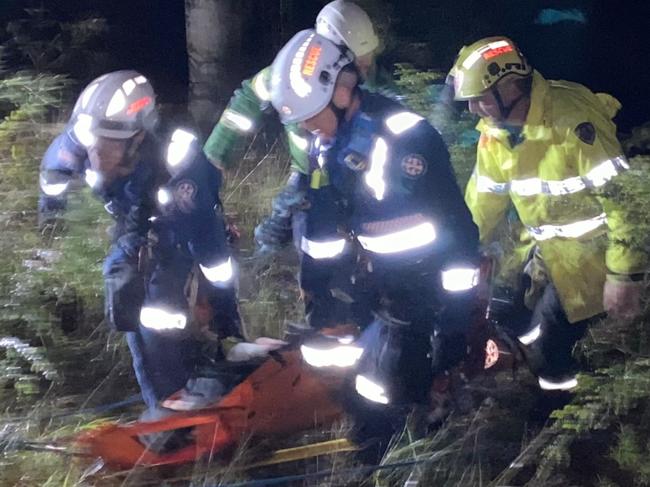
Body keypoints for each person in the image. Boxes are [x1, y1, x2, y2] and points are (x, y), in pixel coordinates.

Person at [268, 30, 481, 418]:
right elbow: (323, 223)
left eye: (310, 117)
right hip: (373, 282)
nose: (305, 130)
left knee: (382, 393)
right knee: (344, 372)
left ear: (342, 91)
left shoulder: (407, 140)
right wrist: (319, 296)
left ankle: (409, 441)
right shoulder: (328, 143)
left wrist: (454, 319)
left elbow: (458, 233)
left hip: (423, 288)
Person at [38, 70, 250, 410]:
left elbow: (210, 247)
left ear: (136, 140)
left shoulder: (180, 173)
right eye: (91, 142)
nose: (95, 155)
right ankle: (170, 398)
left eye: (105, 146)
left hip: (173, 229)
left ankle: (176, 399)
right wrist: (51, 222)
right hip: (132, 223)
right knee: (130, 295)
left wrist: (224, 309)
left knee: (156, 310)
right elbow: (53, 178)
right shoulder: (85, 134)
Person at [451, 36, 647, 391]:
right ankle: (549, 377)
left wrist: (623, 276)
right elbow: (483, 201)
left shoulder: (573, 121)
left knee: (550, 341)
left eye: (479, 99)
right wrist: (458, 249)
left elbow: (621, 202)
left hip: (591, 261)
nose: (473, 110)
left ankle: (564, 407)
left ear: (509, 88)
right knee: (510, 315)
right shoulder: (495, 135)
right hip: (542, 254)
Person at [203, 0, 391, 255]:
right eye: (361, 65)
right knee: (277, 239)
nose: (364, 72)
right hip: (306, 170)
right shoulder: (290, 73)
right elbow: (248, 99)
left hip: (346, 179)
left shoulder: (370, 90)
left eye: (366, 64)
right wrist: (216, 155)